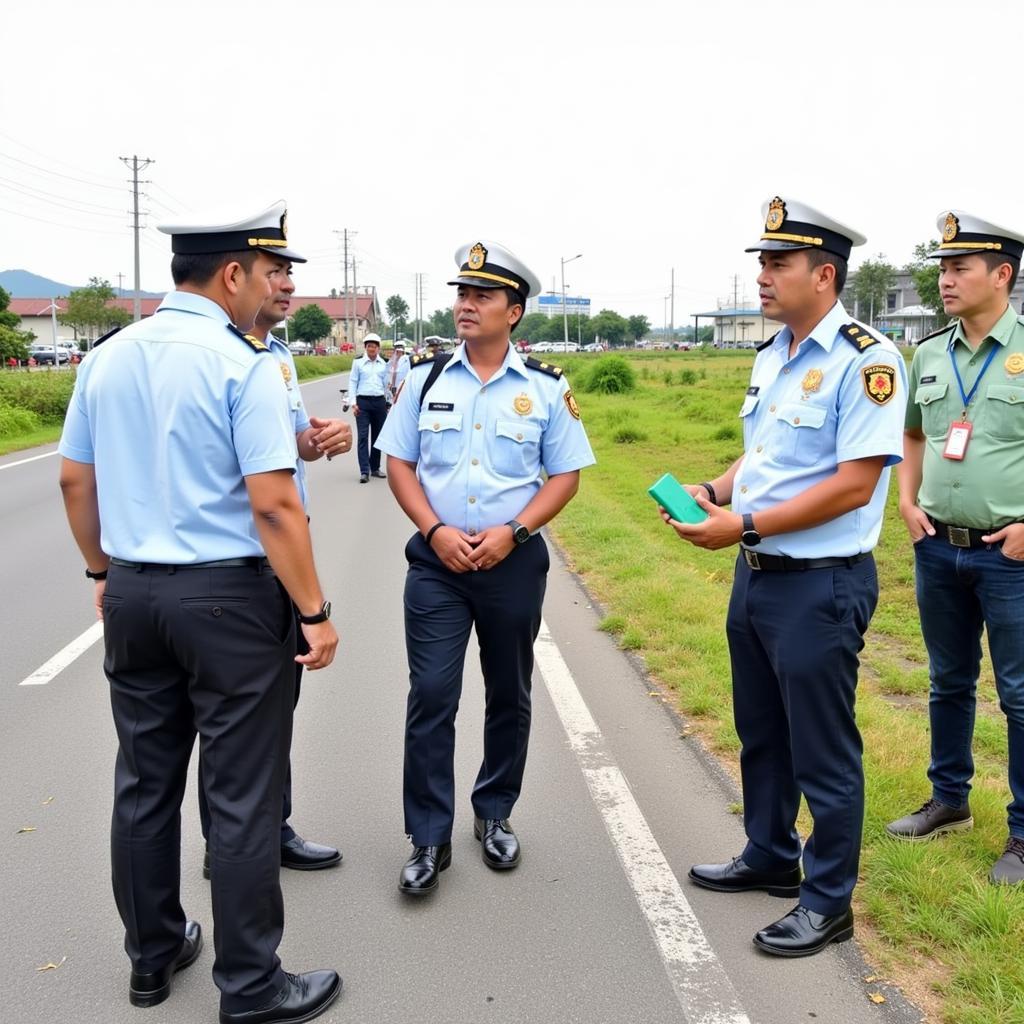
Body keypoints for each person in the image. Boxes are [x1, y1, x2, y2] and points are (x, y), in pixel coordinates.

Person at [58, 201, 343, 1023]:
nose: (275, 286)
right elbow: (276, 507)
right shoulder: (242, 362)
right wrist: (315, 612)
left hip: (137, 592)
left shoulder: (107, 358)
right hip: (227, 597)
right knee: (241, 796)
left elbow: (77, 482)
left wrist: (101, 569)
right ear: (232, 275)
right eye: (269, 272)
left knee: (145, 784)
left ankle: (152, 957)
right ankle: (251, 987)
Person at [663, 197, 907, 957]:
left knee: (822, 750)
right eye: (761, 263)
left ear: (824, 275)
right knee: (761, 731)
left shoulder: (867, 359)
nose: (762, 277)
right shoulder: (775, 353)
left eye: (777, 264)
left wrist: (741, 524)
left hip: (819, 582)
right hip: (759, 576)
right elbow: (765, 456)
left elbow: (852, 486)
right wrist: (717, 489)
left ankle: (827, 900)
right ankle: (770, 852)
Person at [375, 240, 595, 895]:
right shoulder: (425, 378)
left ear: (515, 311)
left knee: (510, 693)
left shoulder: (547, 389)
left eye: (482, 297)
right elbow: (399, 463)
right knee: (433, 696)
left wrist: (516, 531)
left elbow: (566, 475)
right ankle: (427, 837)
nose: (466, 306)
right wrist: (433, 529)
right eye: (462, 294)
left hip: (512, 564)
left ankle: (494, 813)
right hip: (437, 566)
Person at [197, 255, 350, 874]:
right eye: (277, 274)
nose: (288, 286)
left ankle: (270, 825)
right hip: (236, 561)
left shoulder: (279, 357)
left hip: (277, 558)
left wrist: (315, 441)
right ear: (239, 278)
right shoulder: (221, 356)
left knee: (274, 706)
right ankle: (230, 843)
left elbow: (280, 444)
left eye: (292, 277)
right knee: (233, 717)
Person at [885, 211, 1024, 885]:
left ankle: (1023, 833)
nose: (945, 279)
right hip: (938, 545)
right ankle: (949, 800)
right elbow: (912, 437)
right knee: (948, 681)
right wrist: (907, 502)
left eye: (959, 267)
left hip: (1012, 555)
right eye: (942, 267)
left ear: (1002, 274)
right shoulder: (930, 353)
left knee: (1021, 695)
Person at [348, 332, 389, 482]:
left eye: (374, 346)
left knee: (378, 437)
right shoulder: (358, 363)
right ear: (365, 348)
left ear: (378, 348)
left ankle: (375, 468)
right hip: (362, 403)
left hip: (379, 403)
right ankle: (364, 471)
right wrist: (353, 403)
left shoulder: (384, 363)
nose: (372, 349)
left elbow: (387, 385)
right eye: (369, 346)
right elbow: (352, 382)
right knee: (363, 437)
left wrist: (388, 403)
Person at [385, 341, 410, 407]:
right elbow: (387, 373)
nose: (398, 352)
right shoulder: (391, 361)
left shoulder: (407, 360)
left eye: (400, 350)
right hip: (391, 389)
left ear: (403, 350)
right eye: (397, 350)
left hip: (403, 389)